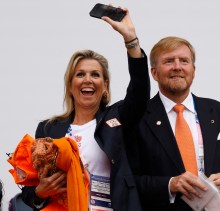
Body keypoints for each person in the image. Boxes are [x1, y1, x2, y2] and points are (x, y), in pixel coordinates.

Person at [21, 7, 150, 211]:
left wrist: (131, 41)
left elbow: (140, 92)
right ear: (70, 86)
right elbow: (29, 190)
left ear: (105, 86)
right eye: (80, 74)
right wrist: (40, 192)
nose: (88, 80)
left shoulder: (116, 120)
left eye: (96, 75)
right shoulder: (48, 129)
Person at [127, 36, 220, 210]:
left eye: (184, 61)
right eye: (168, 61)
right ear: (154, 73)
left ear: (193, 70)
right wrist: (170, 184)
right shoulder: (139, 118)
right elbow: (129, 180)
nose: (177, 67)